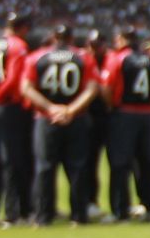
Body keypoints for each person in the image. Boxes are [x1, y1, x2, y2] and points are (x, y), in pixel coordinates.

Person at [19, 24, 100, 226]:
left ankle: (43, 216)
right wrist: (70, 110)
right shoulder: (83, 57)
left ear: (53, 37)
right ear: (72, 38)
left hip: (45, 119)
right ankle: (79, 215)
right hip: (76, 118)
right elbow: (92, 88)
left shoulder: (36, 57)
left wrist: (50, 108)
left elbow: (26, 88)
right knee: (77, 167)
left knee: (45, 167)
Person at [102, 27, 150, 220]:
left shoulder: (117, 58)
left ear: (122, 39)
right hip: (147, 116)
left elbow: (106, 87)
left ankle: (120, 210)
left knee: (120, 163)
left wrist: (112, 106)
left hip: (124, 114)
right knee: (147, 162)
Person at [0, 14, 36, 226]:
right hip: (8, 106)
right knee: (12, 159)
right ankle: (14, 213)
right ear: (23, 28)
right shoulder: (18, 46)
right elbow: (13, 79)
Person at [79, 29, 110, 222]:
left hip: (108, 117)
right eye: (91, 44)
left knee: (119, 162)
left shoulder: (111, 60)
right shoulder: (82, 61)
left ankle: (120, 204)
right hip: (87, 117)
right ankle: (89, 202)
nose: (94, 48)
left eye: (97, 45)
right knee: (89, 163)